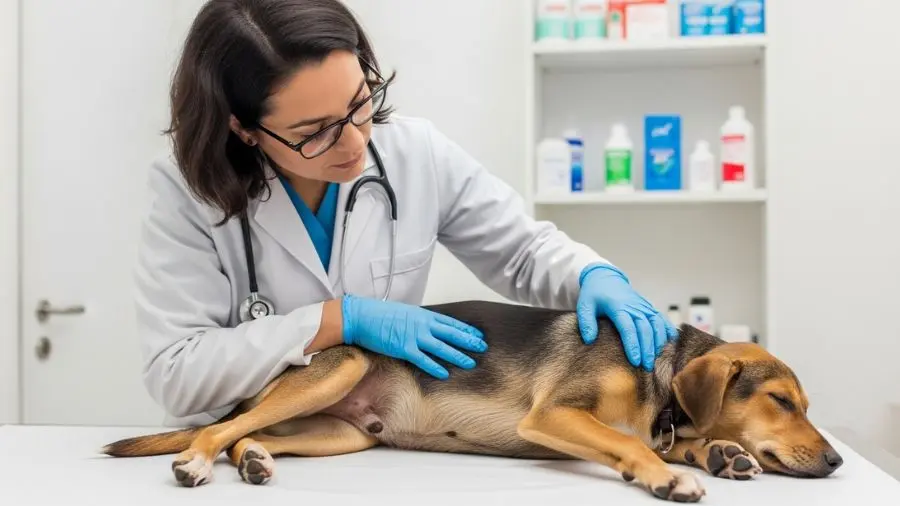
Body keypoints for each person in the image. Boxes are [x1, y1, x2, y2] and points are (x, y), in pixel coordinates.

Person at [135, 0, 678, 426]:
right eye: (314, 132)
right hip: (237, 445)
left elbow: (521, 250)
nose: (353, 142)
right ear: (242, 127)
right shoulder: (186, 191)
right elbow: (177, 371)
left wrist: (591, 274)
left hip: (369, 438)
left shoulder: (414, 152)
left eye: (360, 102)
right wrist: (337, 321)